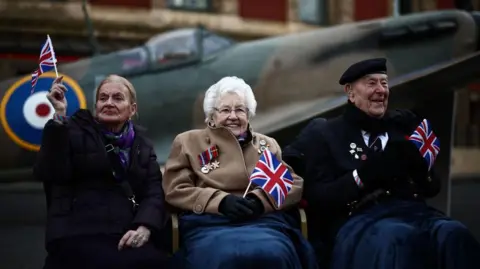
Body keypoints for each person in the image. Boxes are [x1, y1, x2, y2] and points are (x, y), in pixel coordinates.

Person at [283, 58, 480, 269]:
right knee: (399, 239)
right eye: (371, 83)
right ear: (350, 92)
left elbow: (432, 188)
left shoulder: (402, 128)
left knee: (454, 234)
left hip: (414, 211)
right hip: (361, 218)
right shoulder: (326, 133)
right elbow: (318, 196)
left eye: (384, 83)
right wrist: (364, 175)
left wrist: (420, 168)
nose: (381, 90)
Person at [162, 76, 318, 269]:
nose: (233, 116)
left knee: (274, 254)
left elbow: (291, 184)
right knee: (224, 257)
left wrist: (260, 201)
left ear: (249, 114)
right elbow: (175, 189)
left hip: (262, 222)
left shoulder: (266, 144)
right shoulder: (188, 142)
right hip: (211, 223)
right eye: (225, 110)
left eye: (240, 110)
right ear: (211, 115)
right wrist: (220, 201)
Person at [34, 74, 169, 269]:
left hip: (125, 231)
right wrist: (59, 117)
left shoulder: (143, 146)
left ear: (132, 109)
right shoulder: (71, 131)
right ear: (96, 106)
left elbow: (154, 191)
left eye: (117, 98)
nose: (109, 103)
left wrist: (144, 226)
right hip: (79, 231)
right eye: (103, 98)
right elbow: (49, 171)